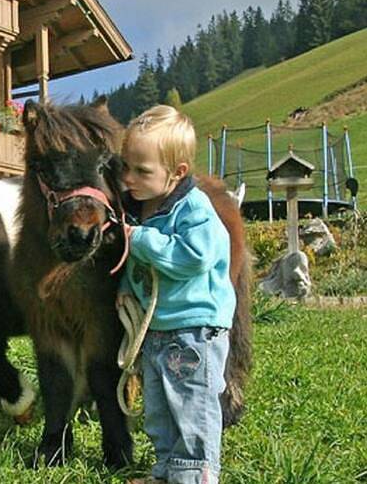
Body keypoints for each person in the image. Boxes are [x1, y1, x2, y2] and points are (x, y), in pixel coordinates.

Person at [117, 105, 236, 484]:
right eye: (127, 167)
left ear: (177, 172)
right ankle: (167, 471)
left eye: (141, 171)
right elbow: (143, 270)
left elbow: (194, 256)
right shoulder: (146, 208)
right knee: (160, 408)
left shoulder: (195, 209)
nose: (128, 178)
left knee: (192, 406)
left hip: (193, 331)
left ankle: (195, 477)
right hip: (159, 329)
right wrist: (125, 291)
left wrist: (141, 239)